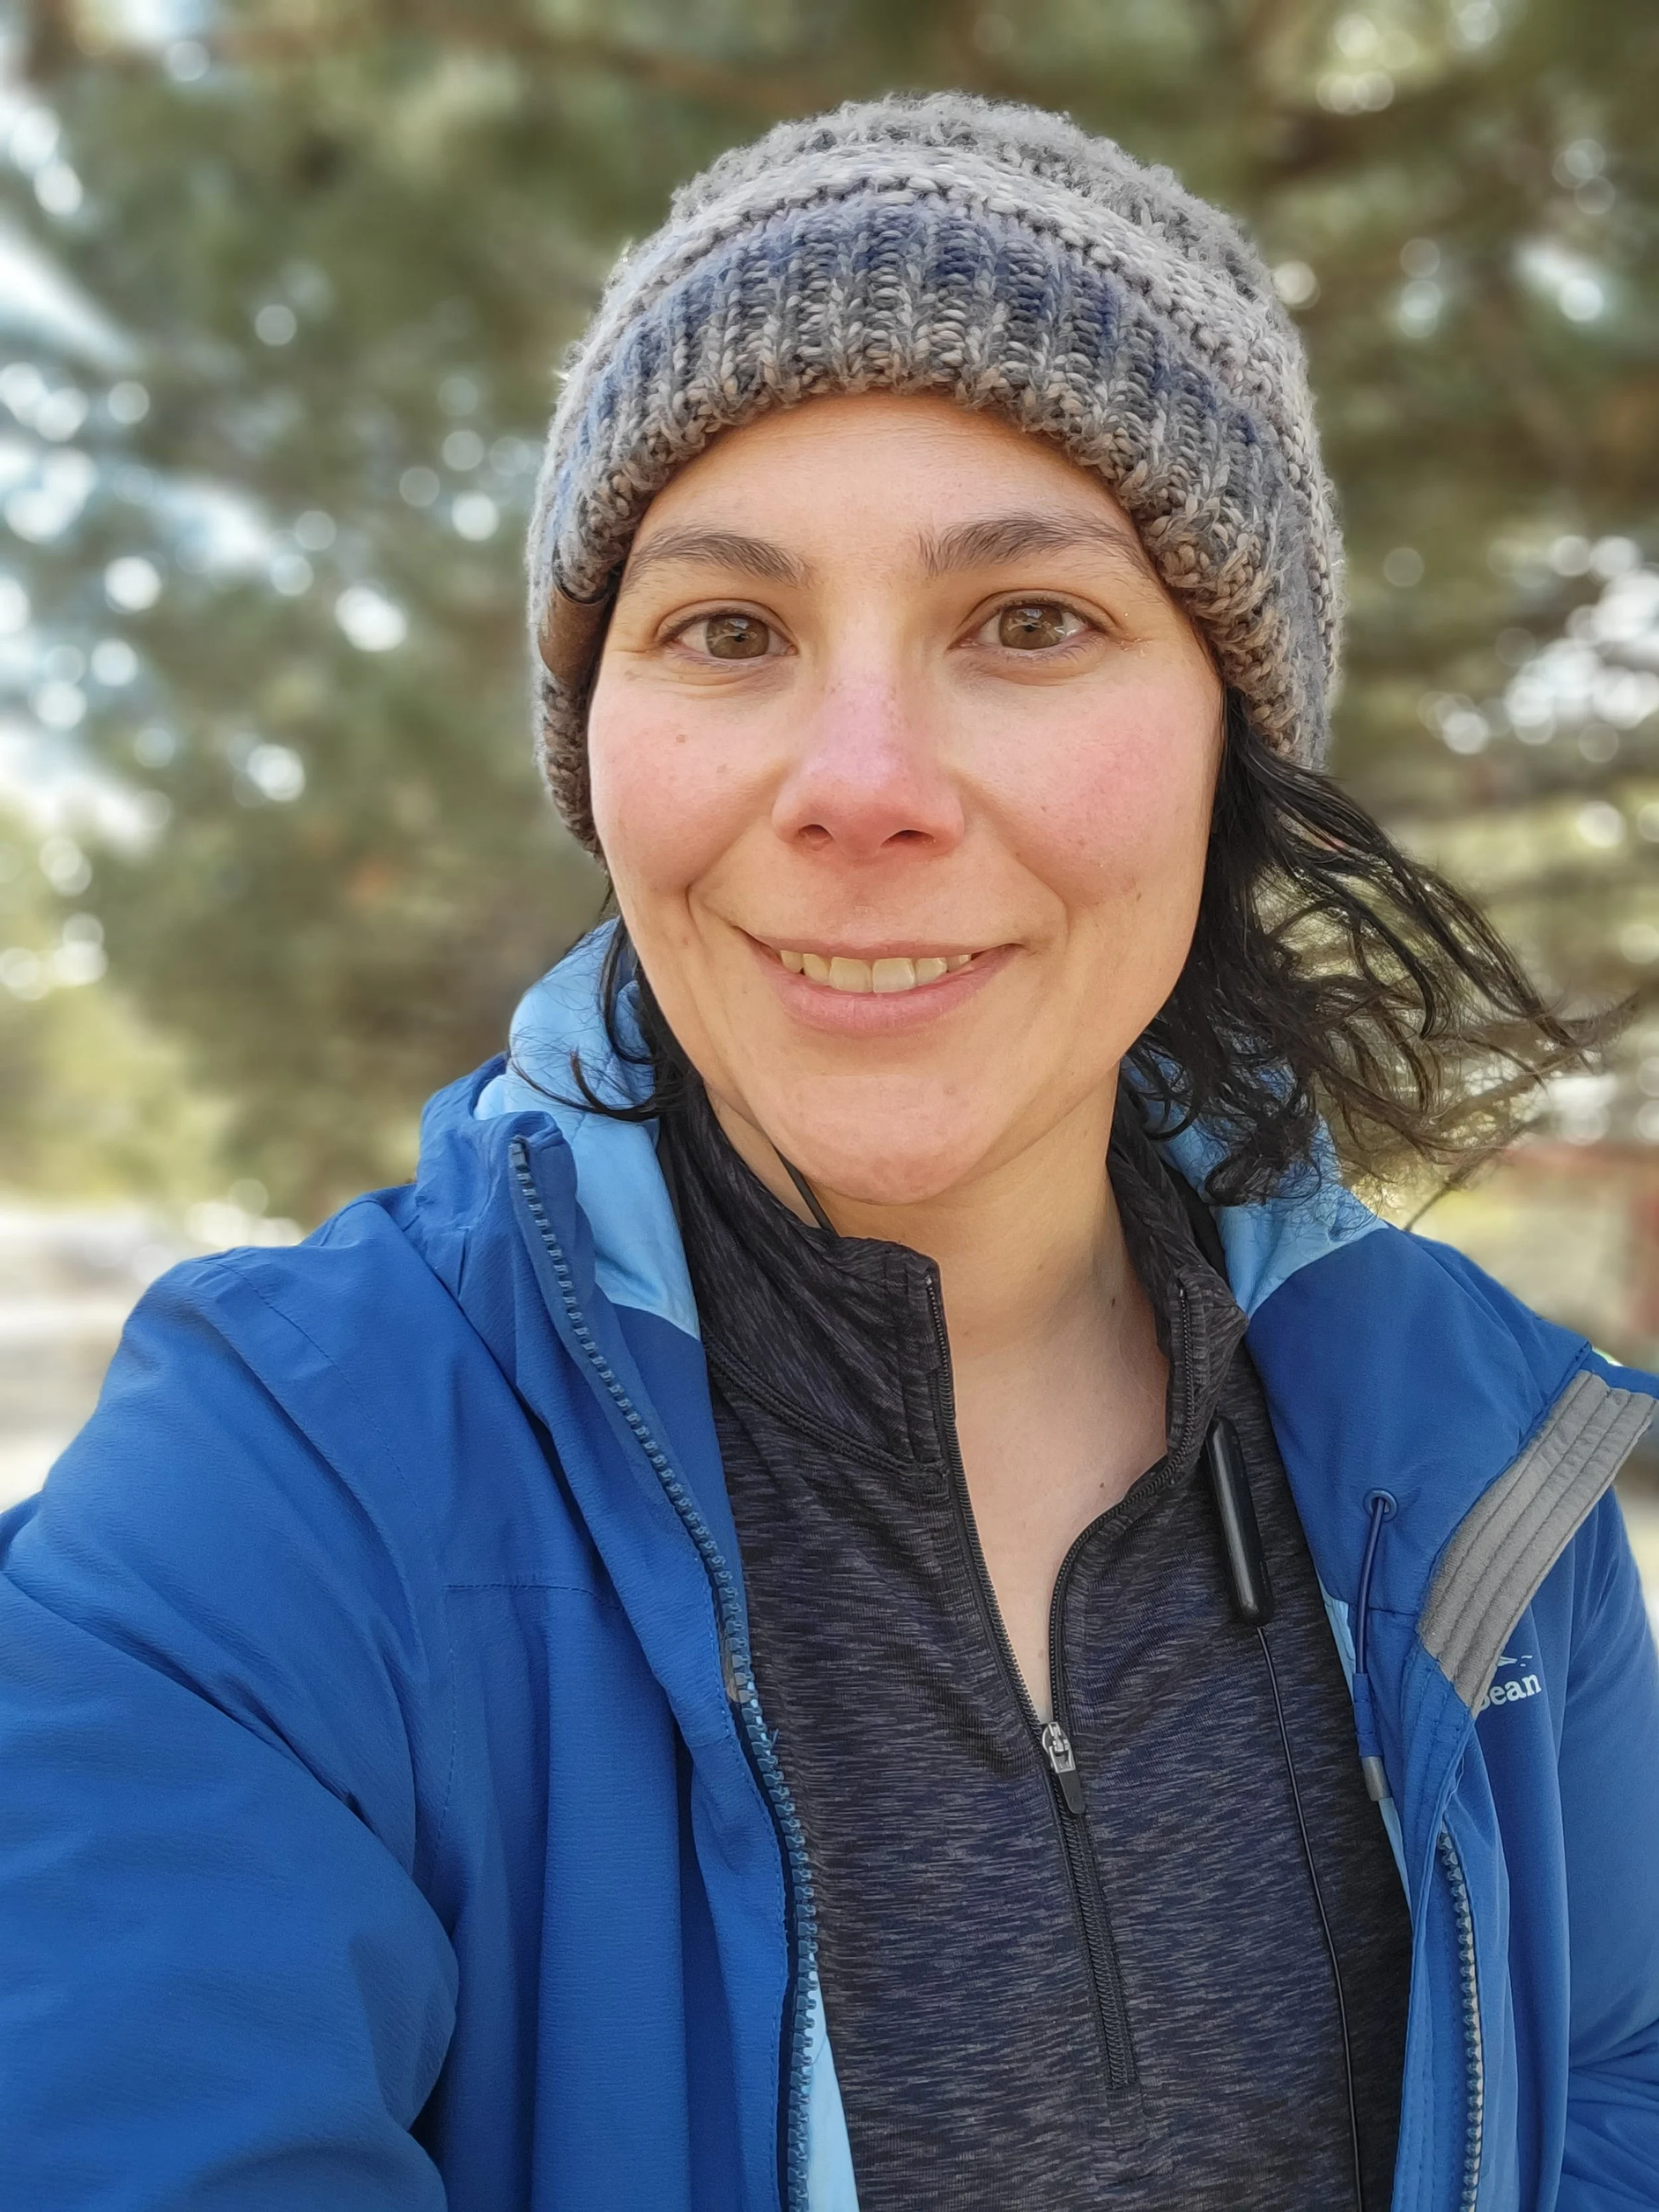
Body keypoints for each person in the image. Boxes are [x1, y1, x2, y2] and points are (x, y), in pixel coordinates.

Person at [1, 92, 1656, 2212]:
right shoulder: (269, 1495)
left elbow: (1601, 2087)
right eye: (727, 631)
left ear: (1230, 739)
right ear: (595, 745)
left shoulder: (1486, 1457)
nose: (857, 784)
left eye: (1028, 622)